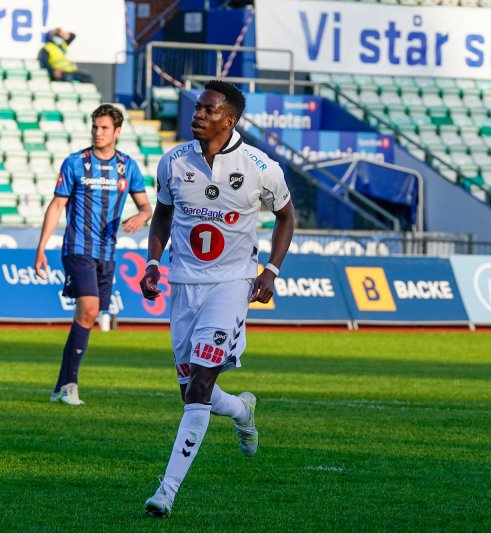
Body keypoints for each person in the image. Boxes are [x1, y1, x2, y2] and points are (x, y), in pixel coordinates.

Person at [138, 80, 295, 517]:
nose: (198, 114)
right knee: (192, 390)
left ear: (229, 119)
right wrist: (153, 263)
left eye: (208, 110)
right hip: (184, 286)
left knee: (200, 386)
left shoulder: (261, 166)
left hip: (231, 285)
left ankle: (166, 492)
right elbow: (163, 215)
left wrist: (271, 270)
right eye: (197, 108)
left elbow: (285, 216)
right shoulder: (172, 162)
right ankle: (242, 410)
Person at [35, 104, 153, 406]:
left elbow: (146, 207)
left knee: (88, 316)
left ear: (117, 131)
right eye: (95, 127)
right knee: (88, 309)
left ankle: (61, 386)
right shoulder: (76, 163)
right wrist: (41, 248)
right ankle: (71, 385)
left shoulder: (128, 166)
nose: (98, 133)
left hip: (107, 252)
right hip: (77, 248)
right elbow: (57, 205)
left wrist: (141, 217)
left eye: (104, 128)